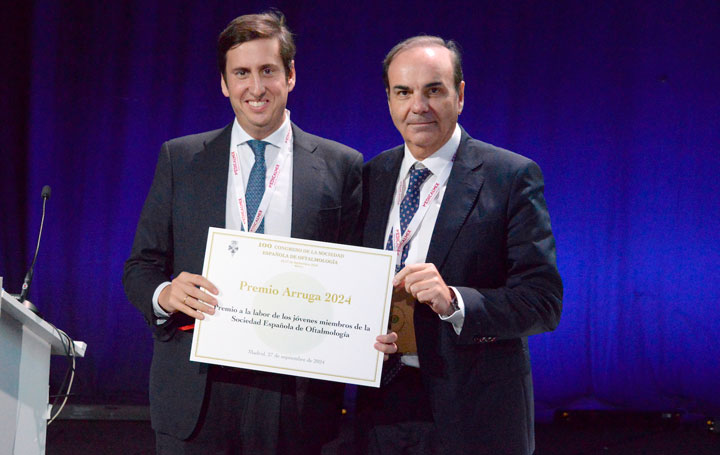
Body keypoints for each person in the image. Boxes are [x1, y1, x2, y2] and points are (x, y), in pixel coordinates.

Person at [123, 11, 362, 454]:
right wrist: (164, 295)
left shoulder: (341, 165)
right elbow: (141, 266)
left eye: (268, 71)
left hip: (293, 395)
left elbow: (353, 279)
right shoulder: (182, 159)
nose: (256, 88)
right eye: (242, 73)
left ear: (290, 76)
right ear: (223, 82)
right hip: (197, 390)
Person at [360, 35, 563, 454]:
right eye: (404, 92)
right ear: (389, 100)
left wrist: (456, 302)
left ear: (460, 94)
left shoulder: (510, 177)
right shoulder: (371, 176)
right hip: (380, 411)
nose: (418, 106)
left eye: (433, 90)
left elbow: (543, 302)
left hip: (476, 417)